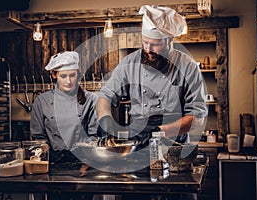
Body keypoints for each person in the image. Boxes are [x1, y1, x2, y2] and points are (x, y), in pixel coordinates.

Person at [97, 5, 208, 148]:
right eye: (145, 42)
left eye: (155, 44)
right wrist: (105, 119)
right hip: (137, 140)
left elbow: (197, 117)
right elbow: (105, 96)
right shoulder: (130, 63)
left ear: (169, 40)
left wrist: (159, 132)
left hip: (173, 142)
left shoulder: (188, 66)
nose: (148, 50)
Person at [30, 51, 98, 200]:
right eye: (63, 76)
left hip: (83, 164)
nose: (69, 81)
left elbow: (94, 135)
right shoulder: (42, 101)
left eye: (72, 75)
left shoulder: (91, 99)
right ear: (54, 75)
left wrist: (86, 164)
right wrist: (42, 154)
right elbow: (38, 136)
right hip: (54, 166)